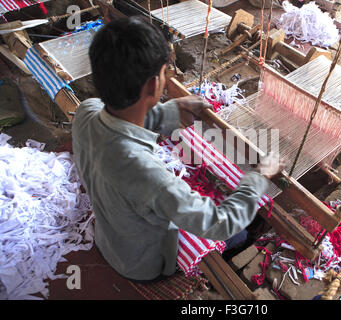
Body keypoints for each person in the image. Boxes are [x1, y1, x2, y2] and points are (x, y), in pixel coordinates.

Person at [71, 17, 284, 283]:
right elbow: (220, 223)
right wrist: (259, 178)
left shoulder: (86, 111)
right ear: (152, 86)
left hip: (111, 238)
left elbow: (124, 120)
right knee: (240, 234)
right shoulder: (149, 176)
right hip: (142, 265)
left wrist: (171, 112)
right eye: (164, 72)